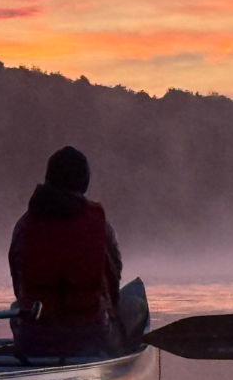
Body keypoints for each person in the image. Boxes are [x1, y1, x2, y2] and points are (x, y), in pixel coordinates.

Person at [8, 146, 143, 360]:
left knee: (17, 307)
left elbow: (18, 284)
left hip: (34, 341)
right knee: (136, 305)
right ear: (84, 182)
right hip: (87, 338)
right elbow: (112, 280)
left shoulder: (24, 225)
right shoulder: (99, 225)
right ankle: (120, 358)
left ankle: (33, 356)